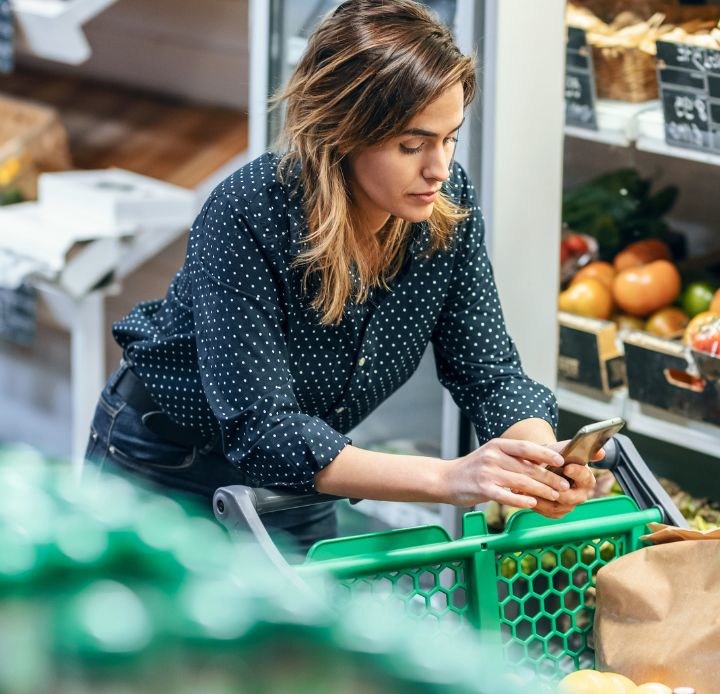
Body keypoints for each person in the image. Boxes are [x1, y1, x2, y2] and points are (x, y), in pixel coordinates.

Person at [84, 0, 592, 551]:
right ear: (342, 132)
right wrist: (450, 477)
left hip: (300, 479)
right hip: (165, 468)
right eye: (411, 145)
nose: (439, 168)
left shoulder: (445, 205)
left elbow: (488, 372)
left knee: (299, 638)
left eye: (450, 137)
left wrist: (538, 459)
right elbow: (264, 432)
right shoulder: (248, 213)